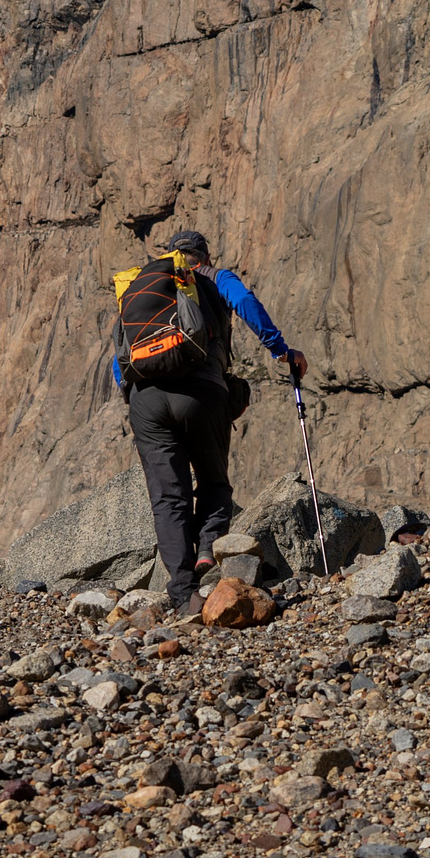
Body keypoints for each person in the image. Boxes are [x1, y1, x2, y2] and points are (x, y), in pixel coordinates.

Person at [116, 229, 308, 616]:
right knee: (213, 481)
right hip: (201, 393)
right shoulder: (214, 277)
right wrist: (280, 351)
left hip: (145, 399)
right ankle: (207, 548)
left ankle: (183, 593)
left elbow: (119, 356)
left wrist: (136, 397)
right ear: (203, 256)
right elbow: (246, 303)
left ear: (172, 256)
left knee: (168, 499)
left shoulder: (142, 286)